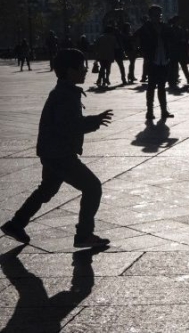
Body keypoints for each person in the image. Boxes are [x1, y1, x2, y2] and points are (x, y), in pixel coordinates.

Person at [1, 48, 114, 248]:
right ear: (70, 71)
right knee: (92, 187)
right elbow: (69, 126)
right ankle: (83, 235)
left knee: (47, 190)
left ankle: (16, 224)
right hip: (60, 153)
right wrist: (94, 122)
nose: (86, 70)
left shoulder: (65, 91)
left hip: (52, 151)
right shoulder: (65, 95)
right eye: (82, 67)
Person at [135, 5, 175, 121]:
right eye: (155, 15)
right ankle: (149, 111)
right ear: (150, 16)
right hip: (152, 60)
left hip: (163, 59)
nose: (157, 17)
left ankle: (164, 110)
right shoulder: (146, 28)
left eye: (159, 15)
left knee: (162, 86)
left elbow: (172, 38)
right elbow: (136, 38)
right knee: (151, 86)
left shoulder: (164, 27)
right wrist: (144, 53)